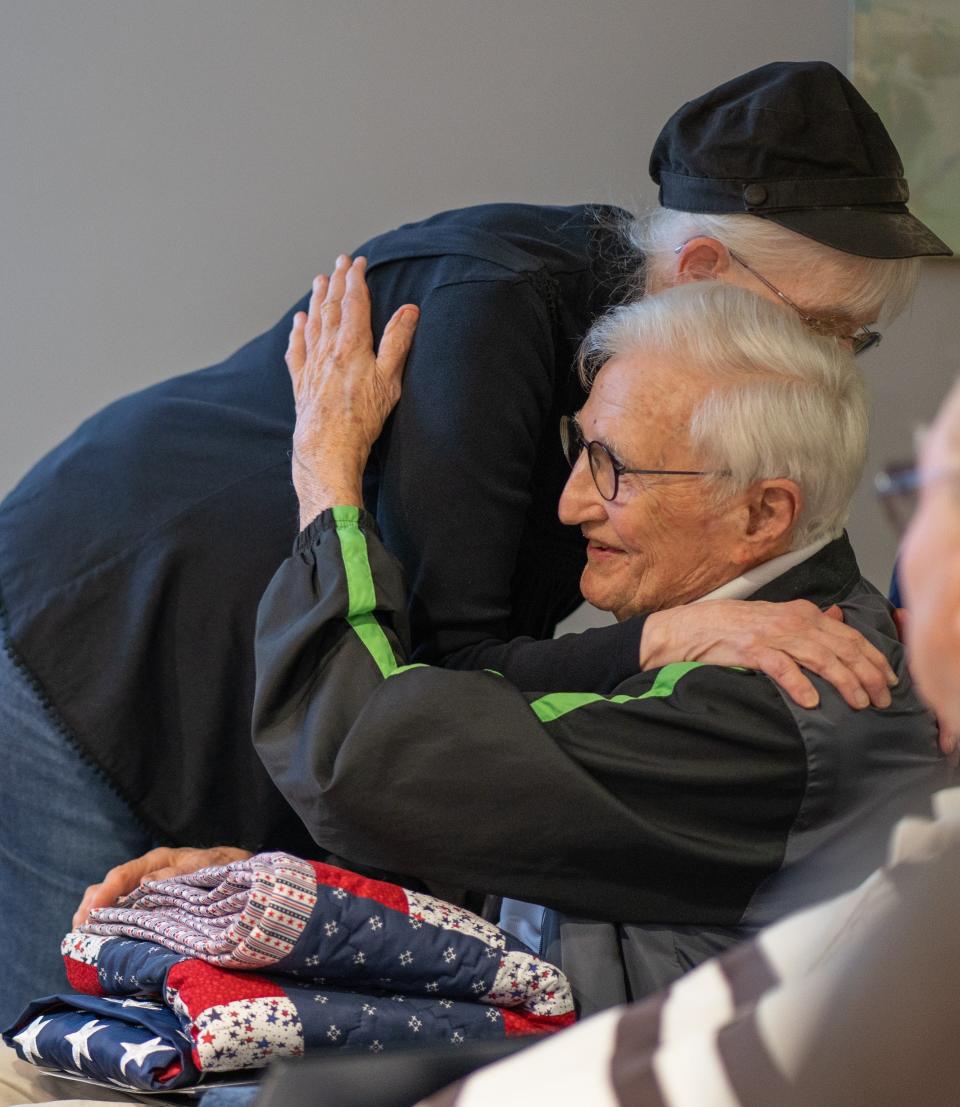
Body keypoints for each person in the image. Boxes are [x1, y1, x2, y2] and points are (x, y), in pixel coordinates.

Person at [0, 59, 949, 1025]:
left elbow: (437, 745)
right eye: (824, 329)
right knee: (79, 1030)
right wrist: (656, 640)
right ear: (703, 269)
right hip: (103, 640)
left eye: (854, 341)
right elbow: (428, 693)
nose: (837, 372)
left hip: (303, 701)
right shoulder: (493, 310)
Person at [413, 378, 960, 1107]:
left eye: (929, 496)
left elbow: (369, 767)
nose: (571, 504)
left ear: (764, 512)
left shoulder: (778, 699)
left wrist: (327, 499)